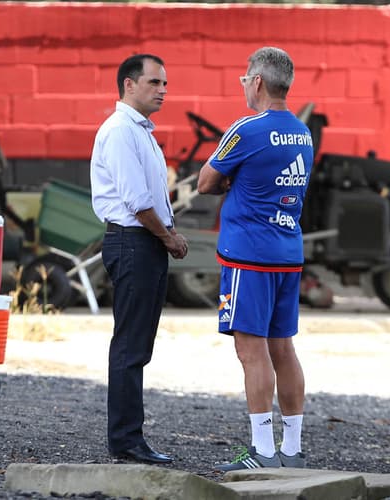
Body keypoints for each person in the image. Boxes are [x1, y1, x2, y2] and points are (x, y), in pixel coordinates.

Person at [197, 47, 313, 471]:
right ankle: (293, 450)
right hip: (288, 251)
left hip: (248, 255)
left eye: (246, 78)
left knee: (251, 351)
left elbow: (205, 182)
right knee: (284, 347)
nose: (244, 85)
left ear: (259, 82)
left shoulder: (245, 129)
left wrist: (231, 178)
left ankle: (263, 451)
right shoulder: (303, 131)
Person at [90, 53, 188, 464]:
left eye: (165, 83)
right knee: (130, 346)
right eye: (154, 83)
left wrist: (164, 233)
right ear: (129, 85)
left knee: (137, 345)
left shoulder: (141, 131)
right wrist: (168, 237)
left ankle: (130, 437)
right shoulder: (120, 132)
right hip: (134, 242)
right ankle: (127, 441)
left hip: (142, 242)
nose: (163, 90)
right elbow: (135, 201)